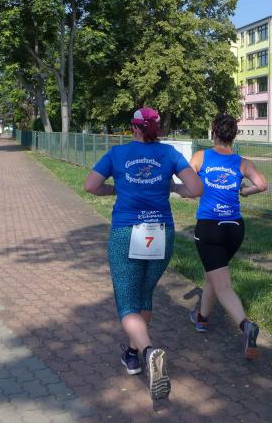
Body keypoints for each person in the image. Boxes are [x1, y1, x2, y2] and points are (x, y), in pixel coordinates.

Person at [83, 107, 203, 400]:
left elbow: (91, 186)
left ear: (134, 127)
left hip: (126, 232)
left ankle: (148, 351)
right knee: (145, 295)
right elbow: (196, 188)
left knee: (127, 304)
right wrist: (173, 187)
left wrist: (115, 190)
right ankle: (132, 354)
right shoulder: (169, 154)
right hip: (161, 232)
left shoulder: (117, 154)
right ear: (157, 129)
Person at [173, 113, 267, 358]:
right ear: (234, 135)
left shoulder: (201, 157)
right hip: (234, 228)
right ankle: (202, 318)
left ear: (213, 132)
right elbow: (262, 184)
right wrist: (244, 191)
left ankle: (246, 326)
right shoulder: (242, 162)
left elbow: (189, 188)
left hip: (210, 228)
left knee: (222, 284)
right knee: (214, 273)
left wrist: (173, 187)